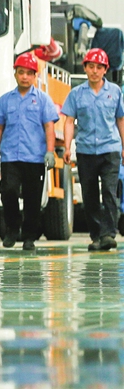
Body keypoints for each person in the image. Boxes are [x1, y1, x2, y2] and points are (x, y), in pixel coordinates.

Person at [0, 52, 60, 251]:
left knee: (32, 199)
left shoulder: (43, 100)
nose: (25, 77)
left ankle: (29, 237)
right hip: (10, 157)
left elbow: (49, 127)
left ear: (35, 75)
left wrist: (50, 151)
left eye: (29, 73)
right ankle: (12, 228)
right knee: (8, 191)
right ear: (15, 74)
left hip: (35, 158)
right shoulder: (6, 100)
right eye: (21, 72)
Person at [62, 48, 124, 252]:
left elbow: (121, 119)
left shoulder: (115, 92)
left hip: (110, 149)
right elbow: (69, 121)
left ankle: (108, 234)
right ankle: (96, 236)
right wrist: (67, 147)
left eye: (99, 67)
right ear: (85, 68)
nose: (95, 71)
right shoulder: (76, 94)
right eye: (91, 67)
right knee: (89, 195)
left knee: (109, 191)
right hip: (86, 150)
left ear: (105, 69)